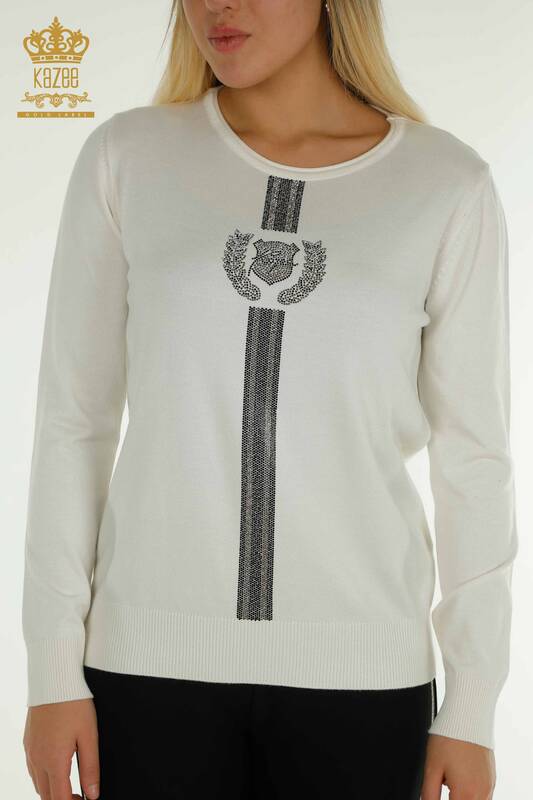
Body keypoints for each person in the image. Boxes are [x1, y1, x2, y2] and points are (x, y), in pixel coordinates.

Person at [21, 1, 518, 798]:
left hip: (365, 680)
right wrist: (51, 670)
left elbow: (473, 458)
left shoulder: (444, 184)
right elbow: (72, 421)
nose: (216, 5)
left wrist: (471, 706)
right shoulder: (129, 156)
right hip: (144, 671)